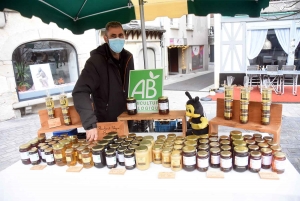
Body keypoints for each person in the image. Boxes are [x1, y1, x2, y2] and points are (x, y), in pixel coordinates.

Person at [72, 21, 134, 141]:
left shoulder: (128, 58)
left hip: (127, 119)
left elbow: (132, 86)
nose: (118, 39)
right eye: (113, 36)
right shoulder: (95, 62)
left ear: (124, 36)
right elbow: (80, 92)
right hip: (106, 122)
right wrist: (90, 124)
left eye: (120, 35)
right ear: (106, 38)